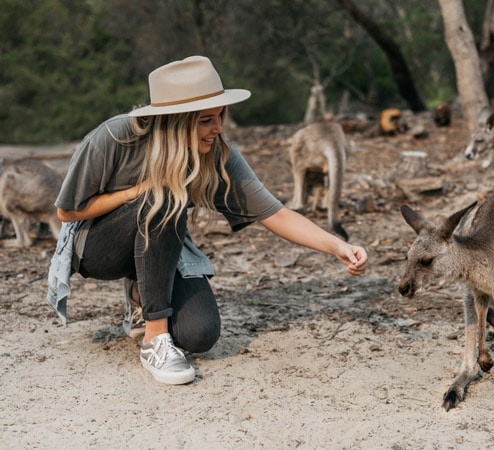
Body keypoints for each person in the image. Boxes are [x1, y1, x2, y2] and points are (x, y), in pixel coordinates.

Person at [47, 55, 368, 386]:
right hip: (96, 247)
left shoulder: (215, 151)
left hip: (158, 239)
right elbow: (67, 211)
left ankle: (142, 296)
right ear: (175, 121)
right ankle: (154, 340)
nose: (218, 129)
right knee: (166, 195)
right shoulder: (115, 137)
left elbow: (275, 213)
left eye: (219, 118)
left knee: (199, 334)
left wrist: (337, 245)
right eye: (206, 120)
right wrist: (138, 191)